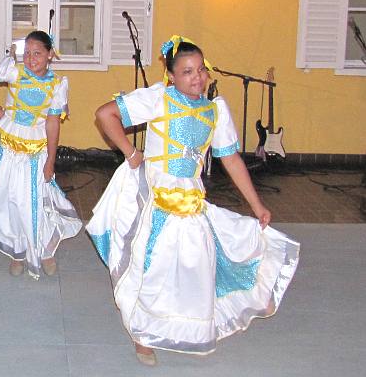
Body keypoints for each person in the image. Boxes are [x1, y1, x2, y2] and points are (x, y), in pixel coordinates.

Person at [87, 36, 299, 365]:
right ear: (171, 75)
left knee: (198, 261)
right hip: (156, 199)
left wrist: (257, 205)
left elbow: (231, 159)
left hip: (191, 200)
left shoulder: (216, 110)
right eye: (187, 71)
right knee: (152, 268)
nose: (197, 77)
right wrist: (130, 152)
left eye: (201, 69)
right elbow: (105, 114)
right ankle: (143, 334)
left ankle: (234, 302)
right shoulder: (158, 98)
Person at [0, 31, 82, 279]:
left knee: (35, 199)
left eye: (37, 53)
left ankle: (44, 251)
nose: (31, 59)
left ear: (50, 55)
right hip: (7, 144)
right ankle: (18, 251)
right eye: (27, 53)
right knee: (8, 198)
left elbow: (53, 123)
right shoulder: (14, 71)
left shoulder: (57, 85)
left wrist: (50, 160)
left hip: (36, 148)